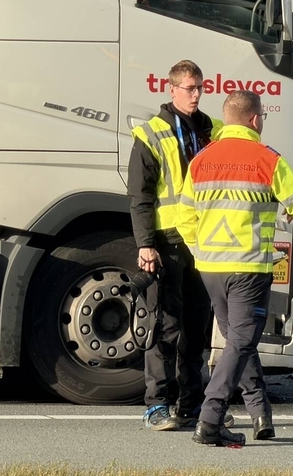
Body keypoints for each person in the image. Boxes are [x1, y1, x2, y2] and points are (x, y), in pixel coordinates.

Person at [177, 89, 293, 447]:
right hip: (249, 267)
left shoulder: (202, 159)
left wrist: (200, 248)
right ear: (255, 120)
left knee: (240, 341)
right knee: (241, 341)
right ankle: (210, 418)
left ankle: (259, 413)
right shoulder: (267, 159)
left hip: (209, 267)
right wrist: (286, 210)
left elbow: (183, 217)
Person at [128, 60, 225, 432]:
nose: (196, 94)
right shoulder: (151, 134)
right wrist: (145, 245)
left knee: (198, 327)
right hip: (167, 243)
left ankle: (191, 404)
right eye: (189, 88)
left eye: (199, 87)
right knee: (164, 326)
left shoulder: (213, 130)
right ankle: (156, 405)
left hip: (202, 241)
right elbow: (140, 195)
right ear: (171, 90)